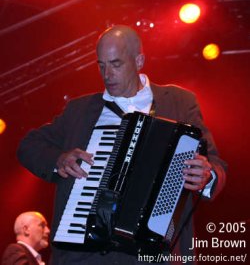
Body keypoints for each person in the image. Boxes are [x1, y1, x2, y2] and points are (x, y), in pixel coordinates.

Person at [17, 25, 227, 264]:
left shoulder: (179, 102)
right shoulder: (80, 110)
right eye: (101, 65)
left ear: (139, 61)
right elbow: (28, 145)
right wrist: (58, 159)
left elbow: (216, 164)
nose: (107, 74)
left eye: (116, 64)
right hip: (86, 258)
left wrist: (207, 177)